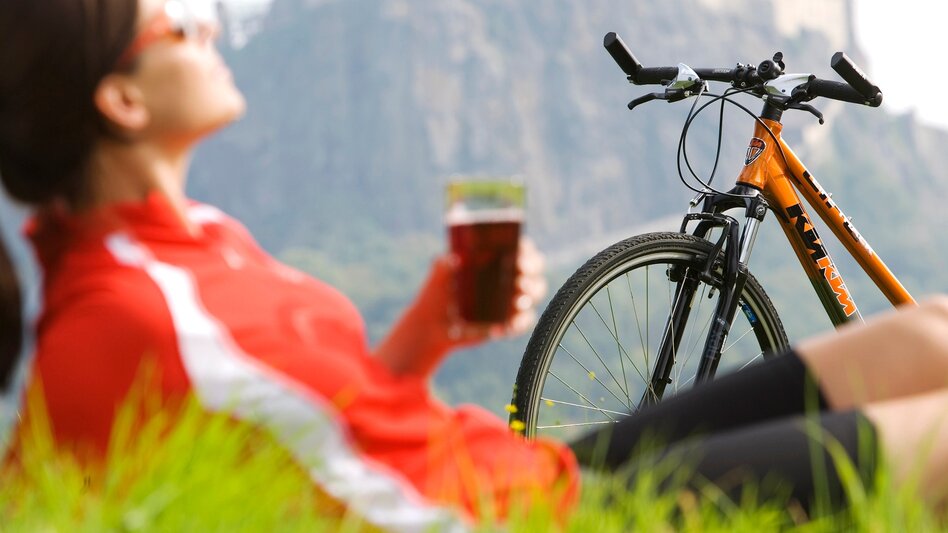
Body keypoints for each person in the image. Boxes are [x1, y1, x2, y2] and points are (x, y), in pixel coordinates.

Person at [2, 0, 948, 529]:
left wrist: (425, 333)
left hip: (508, 471)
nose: (205, 25)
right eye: (174, 26)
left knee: (929, 332)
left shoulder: (198, 240)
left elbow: (318, 430)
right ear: (122, 100)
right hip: (522, 518)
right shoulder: (131, 310)